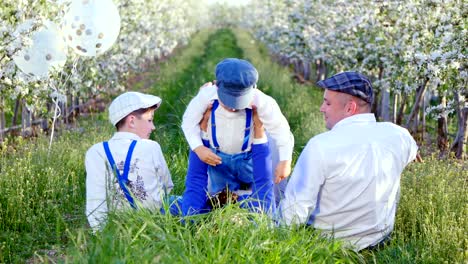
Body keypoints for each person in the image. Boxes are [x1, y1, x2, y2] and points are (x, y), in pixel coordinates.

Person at [279, 71, 419, 251]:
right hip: (379, 242)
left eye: (327, 103)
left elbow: (294, 209)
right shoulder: (399, 135)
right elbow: (414, 152)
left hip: (327, 246)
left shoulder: (321, 146)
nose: (322, 108)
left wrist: (275, 240)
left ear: (350, 108)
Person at [181, 58, 294, 205]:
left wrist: (285, 161)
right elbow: (188, 123)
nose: (233, 108)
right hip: (218, 158)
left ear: (252, 89)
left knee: (259, 194)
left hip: (248, 157)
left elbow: (282, 131)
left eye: (240, 102)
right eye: (228, 102)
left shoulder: (262, 101)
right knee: (219, 198)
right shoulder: (206, 96)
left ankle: (250, 207)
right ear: (217, 87)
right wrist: (199, 147)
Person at [85, 91, 173, 230]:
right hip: (156, 221)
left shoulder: (96, 152)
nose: (153, 127)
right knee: (193, 203)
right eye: (149, 120)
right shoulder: (151, 147)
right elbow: (167, 187)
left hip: (115, 224)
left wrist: (101, 234)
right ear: (131, 121)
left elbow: (95, 201)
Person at [181, 106, 274, 216]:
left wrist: (202, 134)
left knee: (193, 206)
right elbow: (264, 200)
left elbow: (195, 183)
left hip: (218, 199)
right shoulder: (259, 213)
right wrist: (259, 131)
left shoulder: (196, 212)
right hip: (229, 195)